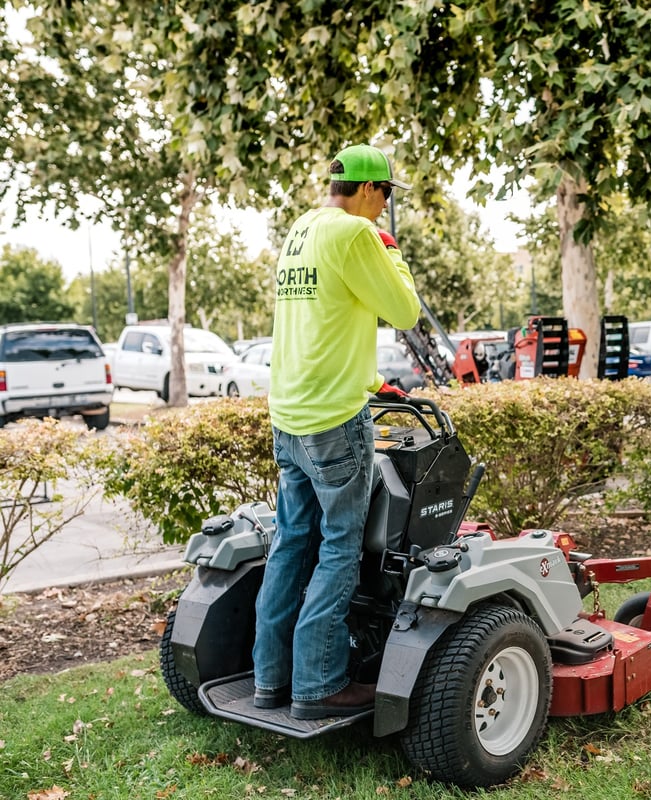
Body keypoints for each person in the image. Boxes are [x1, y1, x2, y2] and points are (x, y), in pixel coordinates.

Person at [252, 143, 421, 720]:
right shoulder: (356, 235)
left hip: (290, 415)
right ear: (371, 190)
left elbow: (320, 321)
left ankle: (270, 680)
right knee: (340, 548)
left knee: (291, 543)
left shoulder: (302, 230)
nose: (385, 210)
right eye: (387, 197)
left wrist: (372, 378)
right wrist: (391, 253)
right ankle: (319, 687)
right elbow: (404, 311)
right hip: (330, 420)